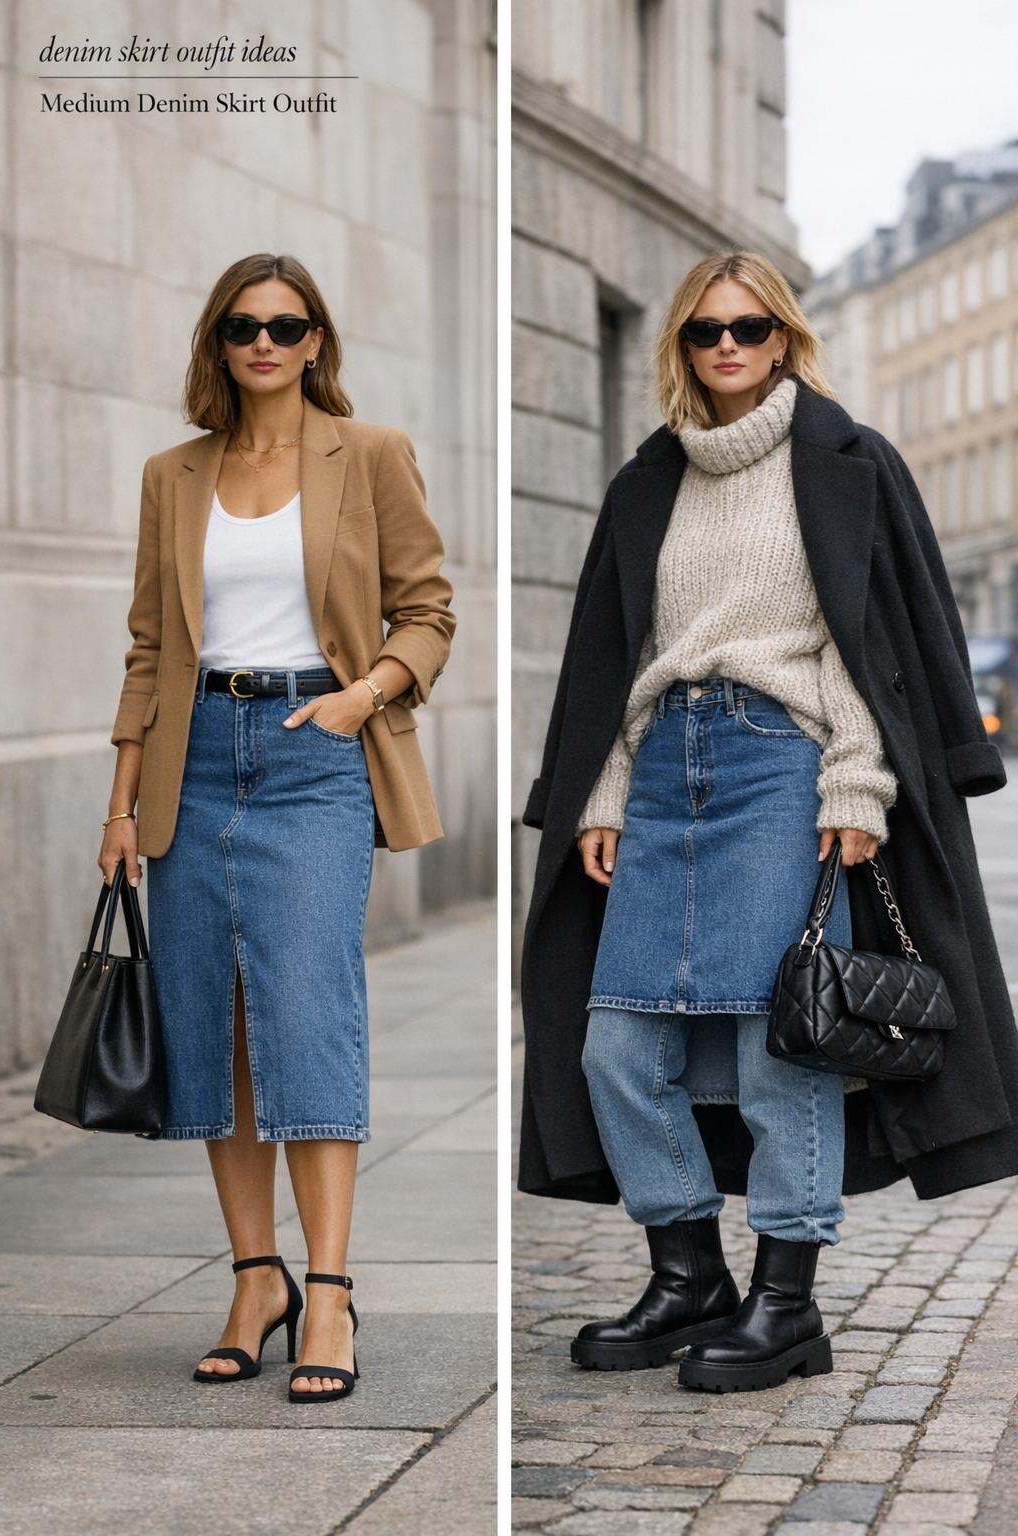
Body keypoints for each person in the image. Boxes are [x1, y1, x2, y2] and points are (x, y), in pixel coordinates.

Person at [517, 247, 1017, 1395]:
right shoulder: (648, 481)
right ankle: (688, 1271)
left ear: (784, 338)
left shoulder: (847, 464)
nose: (728, 346)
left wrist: (856, 783)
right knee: (615, 1048)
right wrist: (597, 794)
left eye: (749, 327)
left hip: (779, 767)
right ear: (680, 348)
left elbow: (869, 640)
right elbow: (619, 655)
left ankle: (784, 1304)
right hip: (658, 781)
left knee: (776, 1044)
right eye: (705, 331)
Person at [100, 251, 455, 1402]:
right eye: (242, 326)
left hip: (313, 754)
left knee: (309, 1016)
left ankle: (333, 1291)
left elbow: (429, 609)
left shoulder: (374, 456)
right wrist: (121, 801)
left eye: (287, 325)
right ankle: (257, 1279)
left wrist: (366, 695)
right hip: (192, 761)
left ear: (316, 342)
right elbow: (151, 645)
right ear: (217, 343)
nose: (264, 341)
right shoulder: (173, 474)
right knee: (215, 1032)